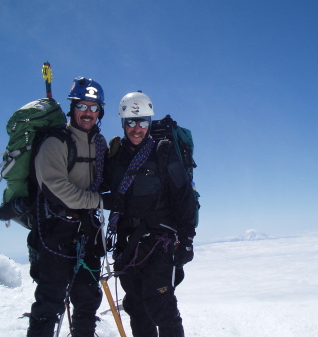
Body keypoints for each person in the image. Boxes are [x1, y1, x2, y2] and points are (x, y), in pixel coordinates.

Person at [102, 91, 197, 337]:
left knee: (161, 306)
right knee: (136, 307)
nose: (137, 128)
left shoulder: (164, 152)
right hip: (126, 244)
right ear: (123, 122)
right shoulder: (115, 156)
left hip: (159, 243)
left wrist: (185, 241)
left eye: (142, 122)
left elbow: (184, 198)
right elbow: (105, 192)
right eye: (131, 122)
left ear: (150, 123)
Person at [27, 77, 107, 337]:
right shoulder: (55, 142)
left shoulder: (100, 144)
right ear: (72, 108)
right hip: (55, 231)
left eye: (94, 108)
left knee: (86, 303)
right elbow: (55, 188)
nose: (88, 113)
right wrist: (98, 202)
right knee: (49, 303)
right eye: (83, 106)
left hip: (88, 232)